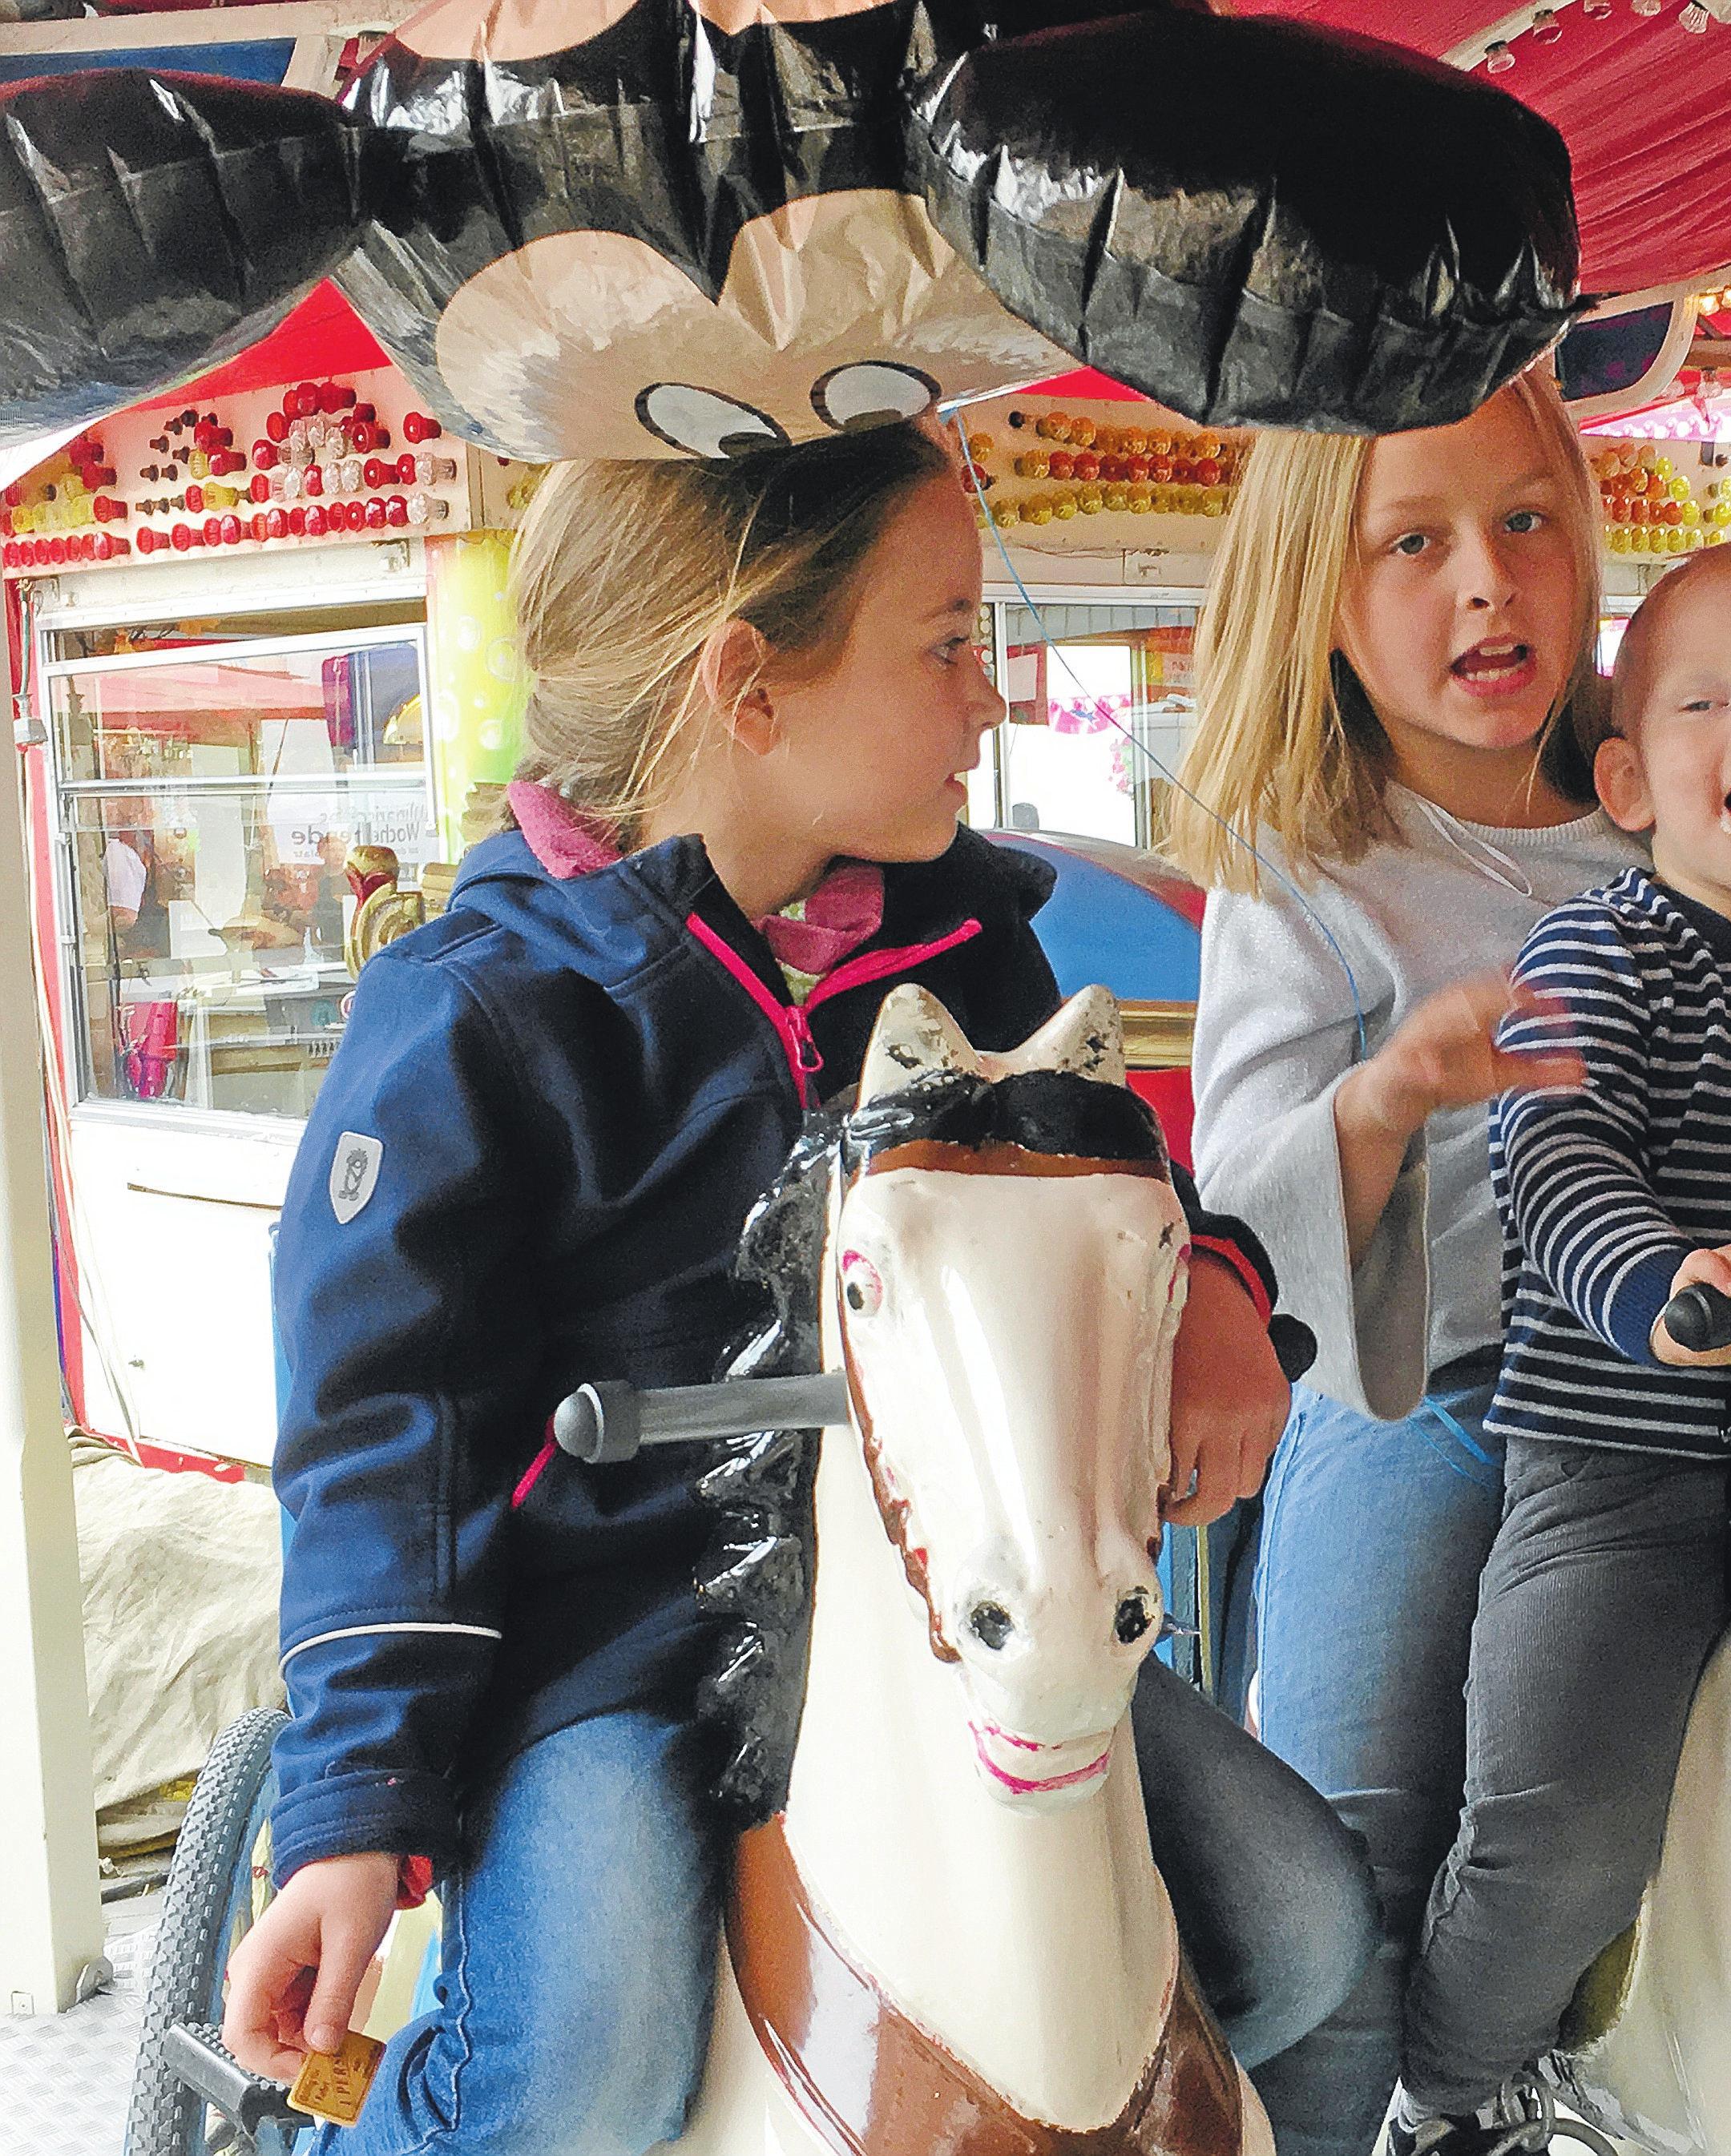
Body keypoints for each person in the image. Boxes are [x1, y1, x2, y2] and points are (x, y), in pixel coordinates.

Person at [220, 436, 1377, 2153]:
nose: (985, 697)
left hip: (922, 1596)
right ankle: (341, 2130)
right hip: (608, 1649)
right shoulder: (478, 1017)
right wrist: (348, 1814)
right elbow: (388, 1439)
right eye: (944, 643)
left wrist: (1204, 1273)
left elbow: (1105, 1195)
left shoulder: (971, 949)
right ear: (747, 687)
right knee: (587, 2063)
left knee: (1303, 1925)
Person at [1385, 537, 1731, 2156]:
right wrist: (1665, 1286)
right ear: (1626, 773)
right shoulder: (1597, 956)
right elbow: (1555, 1162)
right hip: (1628, 1463)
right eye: (1703, 704)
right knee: (1556, 1821)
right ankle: (1448, 2088)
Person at [1176, 365, 1644, 2156]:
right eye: (1414, 542)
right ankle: (1368, 2102)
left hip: (1667, 1390)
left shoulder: (1658, 810)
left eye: (1525, 520)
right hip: (1431, 1389)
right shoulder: (1310, 865)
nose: (1487, 580)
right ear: (1323, 593)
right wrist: (1386, 1092)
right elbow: (1238, 1202)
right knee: (1354, 1856)